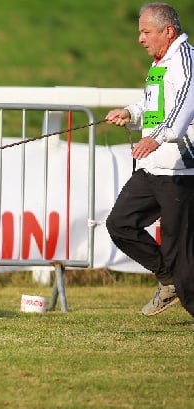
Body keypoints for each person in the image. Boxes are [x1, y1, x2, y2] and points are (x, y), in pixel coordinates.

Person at [105, 2, 194, 318]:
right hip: (152, 165)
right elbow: (151, 104)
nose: (141, 39)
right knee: (120, 224)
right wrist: (130, 113)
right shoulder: (160, 62)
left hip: (180, 169)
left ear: (167, 31)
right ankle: (168, 280)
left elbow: (182, 111)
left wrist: (156, 137)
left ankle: (177, 282)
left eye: (146, 32)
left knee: (179, 254)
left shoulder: (186, 61)